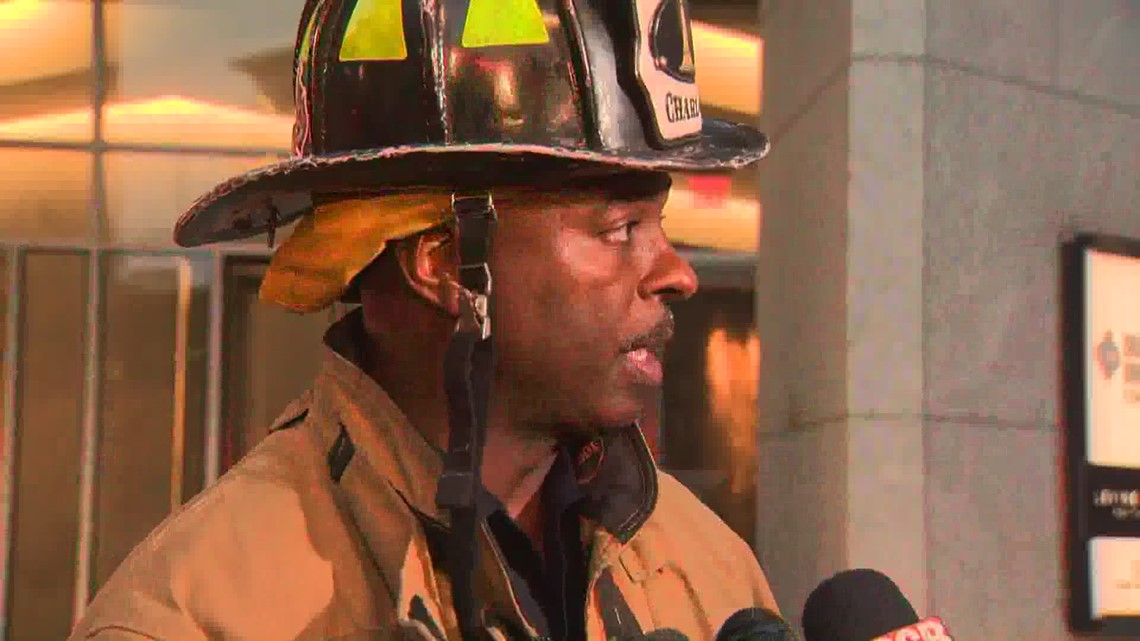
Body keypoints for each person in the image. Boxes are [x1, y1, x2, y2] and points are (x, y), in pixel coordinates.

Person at [69, 0, 781, 639]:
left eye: (658, 224)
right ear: (442, 262)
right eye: (620, 228)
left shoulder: (708, 569)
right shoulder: (197, 615)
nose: (676, 274)